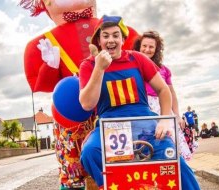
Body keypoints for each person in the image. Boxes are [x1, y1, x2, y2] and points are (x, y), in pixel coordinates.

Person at [79, 15, 200, 189]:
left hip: (146, 125)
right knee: (90, 152)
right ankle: (115, 185)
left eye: (115, 35)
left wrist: (165, 119)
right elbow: (87, 104)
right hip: (110, 128)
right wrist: (99, 69)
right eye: (105, 36)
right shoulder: (89, 65)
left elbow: (163, 89)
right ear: (99, 40)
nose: (111, 40)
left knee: (174, 159)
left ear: (123, 39)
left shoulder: (137, 59)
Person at [133, 30, 192, 161]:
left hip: (163, 108)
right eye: (144, 46)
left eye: (151, 47)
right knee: (145, 146)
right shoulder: (132, 67)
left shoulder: (164, 69)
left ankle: (178, 174)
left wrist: (176, 114)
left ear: (156, 49)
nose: (147, 49)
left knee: (171, 144)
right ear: (138, 47)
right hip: (142, 108)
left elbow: (171, 93)